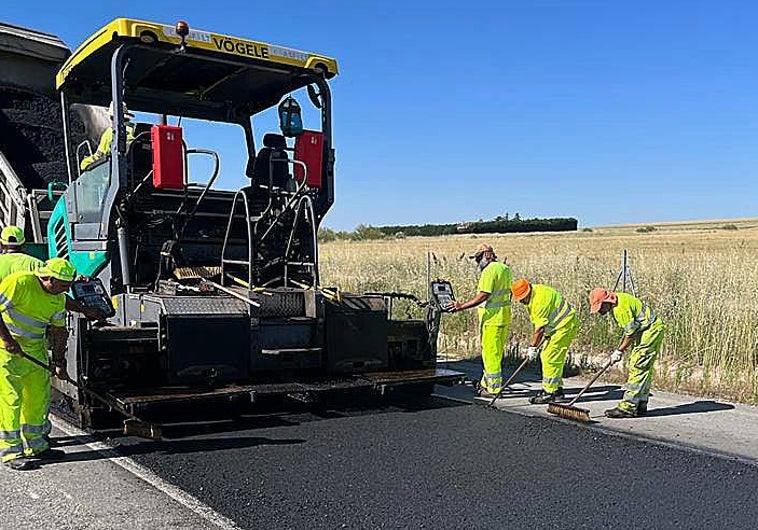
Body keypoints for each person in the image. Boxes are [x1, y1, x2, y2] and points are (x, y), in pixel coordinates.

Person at [0, 258, 75, 470]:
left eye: (68, 286)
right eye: (61, 285)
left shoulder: (58, 298)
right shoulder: (20, 283)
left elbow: (59, 331)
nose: (64, 291)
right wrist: (7, 340)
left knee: (38, 398)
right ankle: (11, 451)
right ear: (47, 278)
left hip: (35, 350)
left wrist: (59, 362)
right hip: (6, 351)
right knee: (11, 400)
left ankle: (36, 445)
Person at [446, 243, 513, 398]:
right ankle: (485, 383)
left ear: (486, 255)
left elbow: (483, 295)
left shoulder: (489, 271)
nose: (478, 262)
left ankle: (493, 389)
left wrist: (460, 306)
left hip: (491, 319)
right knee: (496, 353)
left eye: (478, 258)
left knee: (490, 355)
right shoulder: (505, 269)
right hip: (504, 317)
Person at [589, 287, 665, 418]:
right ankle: (640, 404)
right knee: (643, 368)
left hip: (650, 331)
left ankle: (628, 407)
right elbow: (631, 330)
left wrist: (619, 351)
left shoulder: (620, 309)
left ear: (607, 302)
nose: (600, 311)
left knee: (638, 366)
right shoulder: (619, 300)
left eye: (601, 307)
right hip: (646, 330)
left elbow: (630, 334)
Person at [511, 278, 579, 404]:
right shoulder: (535, 293)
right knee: (552, 357)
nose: (520, 301)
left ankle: (550, 393)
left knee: (550, 357)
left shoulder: (539, 302)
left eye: (521, 298)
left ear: (527, 293)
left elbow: (539, 329)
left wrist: (532, 347)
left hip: (564, 326)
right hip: (557, 326)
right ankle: (557, 391)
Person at [80, 101, 136, 171]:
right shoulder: (137, 130)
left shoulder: (111, 132)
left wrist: (85, 162)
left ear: (112, 117)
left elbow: (99, 157)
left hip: (119, 170)